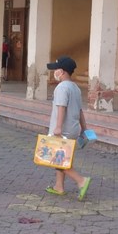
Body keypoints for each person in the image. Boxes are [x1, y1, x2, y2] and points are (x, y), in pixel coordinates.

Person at [44, 56, 92, 201]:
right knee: (62, 157)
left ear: (63, 71)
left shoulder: (61, 87)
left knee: (57, 159)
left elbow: (61, 107)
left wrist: (58, 127)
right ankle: (59, 186)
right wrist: (84, 127)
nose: (54, 72)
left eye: (56, 69)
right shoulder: (75, 88)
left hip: (63, 130)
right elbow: (80, 110)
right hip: (73, 129)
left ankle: (81, 181)